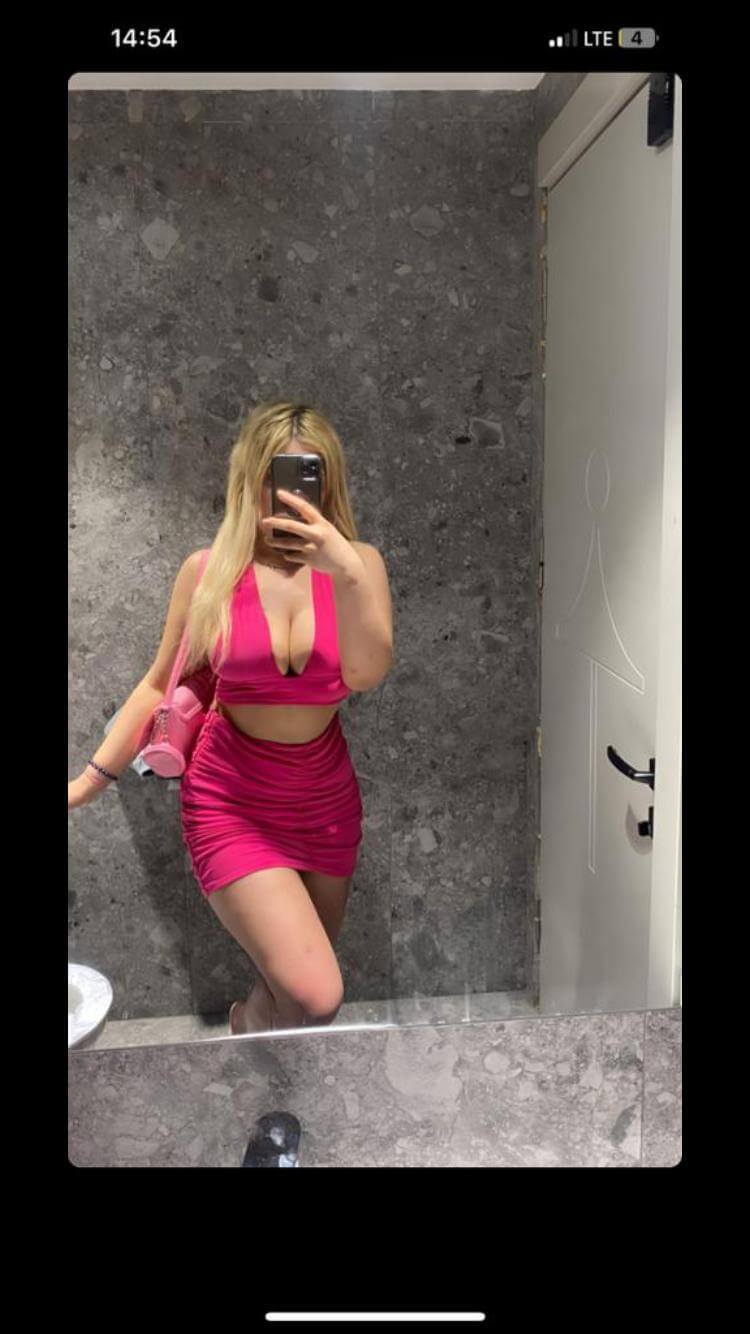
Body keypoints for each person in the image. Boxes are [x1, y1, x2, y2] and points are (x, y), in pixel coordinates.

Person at [69, 401, 394, 1035]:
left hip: (323, 801)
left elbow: (365, 674)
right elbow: (158, 685)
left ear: (330, 480)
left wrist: (345, 571)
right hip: (231, 799)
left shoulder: (361, 567)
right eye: (278, 474)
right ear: (250, 478)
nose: (293, 491)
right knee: (317, 995)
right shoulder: (210, 571)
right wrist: (86, 783)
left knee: (298, 1004)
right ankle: (247, 1021)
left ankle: (258, 1044)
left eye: (310, 474)